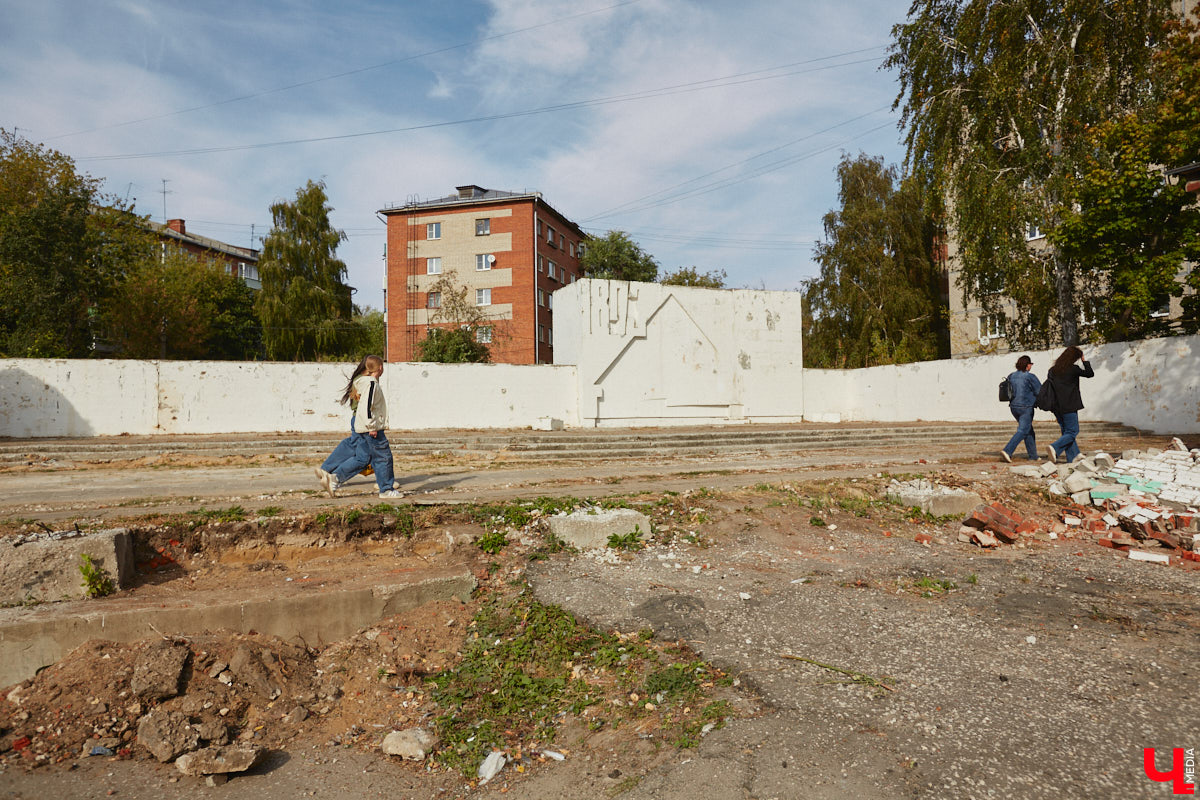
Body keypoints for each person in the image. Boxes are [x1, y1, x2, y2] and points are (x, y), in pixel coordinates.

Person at [314, 355, 404, 499]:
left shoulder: (362, 381)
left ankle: (334, 478)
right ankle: (386, 489)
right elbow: (366, 406)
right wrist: (371, 426)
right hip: (370, 425)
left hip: (363, 423)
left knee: (363, 458)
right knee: (383, 455)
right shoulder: (371, 383)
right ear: (380, 368)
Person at [1045, 346, 1094, 463]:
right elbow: (1089, 373)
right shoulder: (1073, 369)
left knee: (1066, 431)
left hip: (1056, 405)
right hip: (1069, 404)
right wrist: (1084, 361)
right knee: (1072, 431)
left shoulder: (1052, 370)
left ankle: (1073, 457)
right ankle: (1055, 447)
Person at [1000, 354, 1041, 463]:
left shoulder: (1011, 376)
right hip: (1026, 407)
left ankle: (1033, 456)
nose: (1031, 367)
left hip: (1013, 407)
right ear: (1027, 365)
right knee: (1023, 430)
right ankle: (1007, 451)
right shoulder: (1030, 377)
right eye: (1030, 364)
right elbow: (1039, 391)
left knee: (1028, 430)